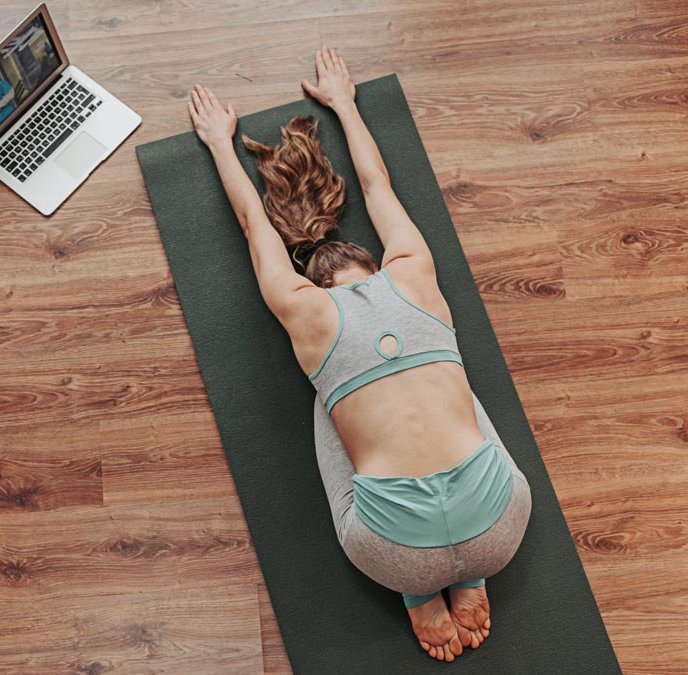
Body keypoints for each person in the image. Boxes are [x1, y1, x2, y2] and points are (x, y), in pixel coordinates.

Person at [187, 47, 531, 663]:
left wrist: (219, 141)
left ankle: (419, 594)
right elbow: (377, 185)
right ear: (374, 263)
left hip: (391, 556)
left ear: (317, 283)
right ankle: (472, 578)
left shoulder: (304, 310)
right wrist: (344, 101)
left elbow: (252, 224)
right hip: (502, 531)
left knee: (329, 397)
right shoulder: (414, 272)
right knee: (451, 379)